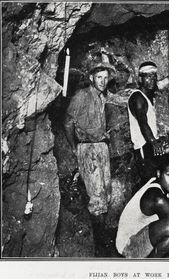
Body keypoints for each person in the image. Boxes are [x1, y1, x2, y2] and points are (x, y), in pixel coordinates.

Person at [64, 59, 116, 217]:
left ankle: (106, 231)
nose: (103, 81)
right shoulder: (81, 95)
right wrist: (74, 147)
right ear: (92, 78)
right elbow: (67, 123)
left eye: (106, 78)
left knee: (106, 192)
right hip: (88, 149)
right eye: (99, 77)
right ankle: (99, 236)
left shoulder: (102, 97)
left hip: (101, 147)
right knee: (96, 196)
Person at [127, 61, 165, 183]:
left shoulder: (148, 97)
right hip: (144, 146)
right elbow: (143, 122)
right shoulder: (138, 97)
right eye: (148, 76)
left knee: (156, 182)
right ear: (140, 78)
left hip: (150, 145)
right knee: (149, 183)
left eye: (154, 76)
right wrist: (154, 142)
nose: (152, 79)